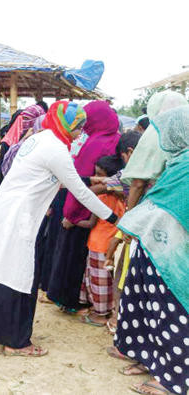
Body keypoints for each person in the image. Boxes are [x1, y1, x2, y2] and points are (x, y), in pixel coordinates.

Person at [0, 101, 119, 357]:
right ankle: (15, 341)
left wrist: (93, 179)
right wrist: (113, 217)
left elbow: (53, 176)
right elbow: (79, 191)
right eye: (78, 127)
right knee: (18, 276)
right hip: (20, 217)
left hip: (7, 209)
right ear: (68, 126)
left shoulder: (40, 137)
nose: (80, 132)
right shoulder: (56, 148)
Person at [114, 105, 189, 395]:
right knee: (150, 308)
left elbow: (167, 209)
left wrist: (127, 227)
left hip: (174, 257)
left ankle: (173, 379)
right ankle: (152, 360)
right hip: (155, 248)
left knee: (172, 312)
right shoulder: (177, 164)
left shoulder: (185, 168)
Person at [47, 100, 120, 313]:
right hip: (101, 210)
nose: (83, 127)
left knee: (71, 257)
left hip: (83, 210)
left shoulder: (94, 143)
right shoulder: (114, 140)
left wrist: (71, 215)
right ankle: (86, 301)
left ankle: (69, 301)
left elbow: (77, 184)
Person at [77, 155, 125, 326]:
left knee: (99, 282)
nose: (96, 180)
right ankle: (106, 310)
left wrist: (73, 221)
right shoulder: (122, 198)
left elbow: (91, 222)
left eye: (100, 176)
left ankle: (100, 314)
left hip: (98, 243)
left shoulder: (101, 198)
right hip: (110, 243)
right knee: (106, 280)